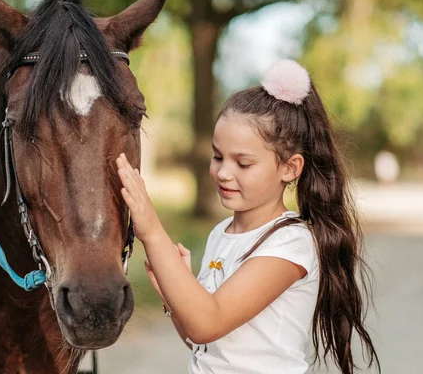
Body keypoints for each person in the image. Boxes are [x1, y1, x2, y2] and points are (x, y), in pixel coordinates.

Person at [116, 59, 380, 374]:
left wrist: (152, 231)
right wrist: (175, 297)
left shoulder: (290, 244)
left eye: (243, 163)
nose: (223, 172)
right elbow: (203, 343)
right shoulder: (221, 233)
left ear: (289, 168)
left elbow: (206, 323)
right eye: (217, 156)